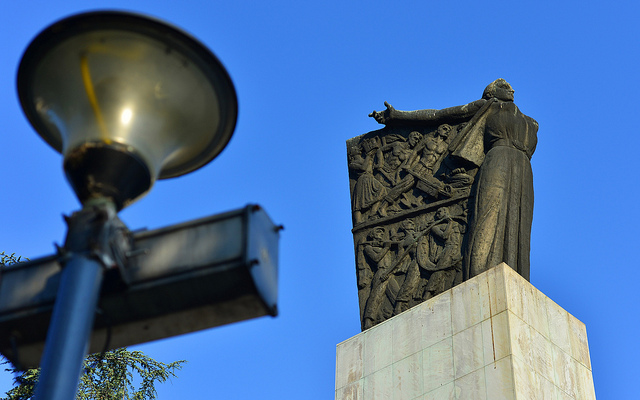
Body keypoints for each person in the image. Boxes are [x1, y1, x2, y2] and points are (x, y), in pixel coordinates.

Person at [369, 78, 538, 280]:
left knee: (519, 221)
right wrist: (398, 115)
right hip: (497, 160)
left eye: (510, 86)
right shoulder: (487, 106)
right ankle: (478, 273)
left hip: (523, 168)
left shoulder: (531, 123)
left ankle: (514, 275)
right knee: (488, 215)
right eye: (504, 86)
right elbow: (440, 115)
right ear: (491, 92)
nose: (511, 89)